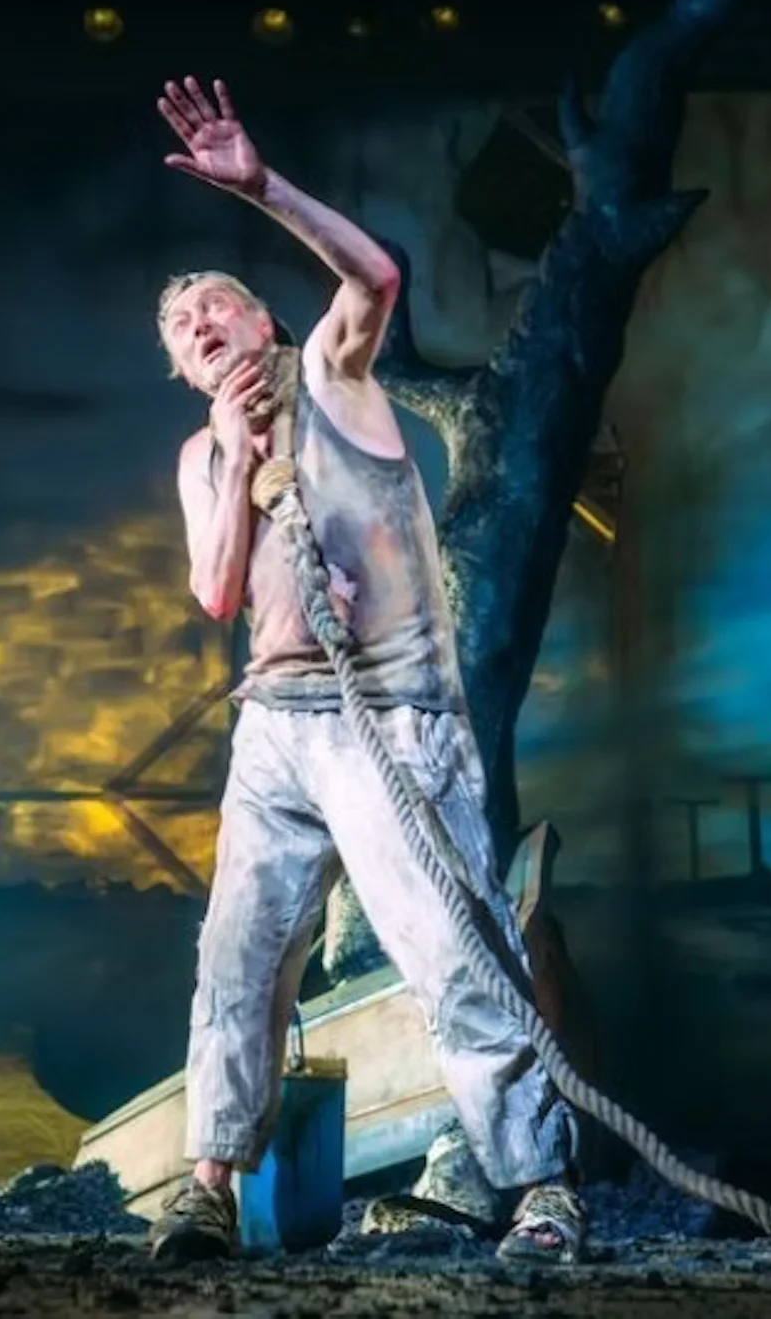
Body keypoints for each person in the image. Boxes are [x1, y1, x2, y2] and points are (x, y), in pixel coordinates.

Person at [148, 75, 585, 1265]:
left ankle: (539, 1185)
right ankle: (205, 1184)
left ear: (263, 323)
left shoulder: (335, 378)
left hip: (389, 713)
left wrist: (260, 187)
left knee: (451, 945)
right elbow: (216, 591)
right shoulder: (206, 452)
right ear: (184, 373)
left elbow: (376, 277)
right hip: (276, 729)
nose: (201, 328)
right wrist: (234, 459)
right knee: (237, 957)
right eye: (182, 332)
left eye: (219, 308)